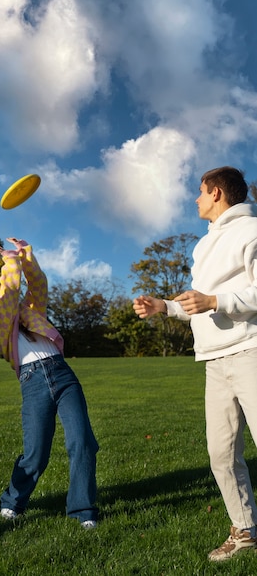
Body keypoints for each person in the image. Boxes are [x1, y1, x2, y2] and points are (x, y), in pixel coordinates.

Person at [133, 166, 257, 562]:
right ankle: (245, 530)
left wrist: (216, 302)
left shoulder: (251, 231)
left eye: (201, 192)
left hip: (251, 351)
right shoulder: (203, 247)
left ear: (217, 193)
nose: (196, 199)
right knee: (221, 454)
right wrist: (165, 306)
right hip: (214, 362)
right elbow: (196, 305)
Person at [0, 237, 99, 528]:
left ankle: (83, 510)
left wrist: (25, 254)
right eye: (1, 293)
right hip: (34, 383)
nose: (8, 295)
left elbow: (37, 284)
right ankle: (12, 502)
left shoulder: (29, 315)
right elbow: (12, 287)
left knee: (83, 443)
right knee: (36, 455)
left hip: (63, 374)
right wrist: (9, 260)